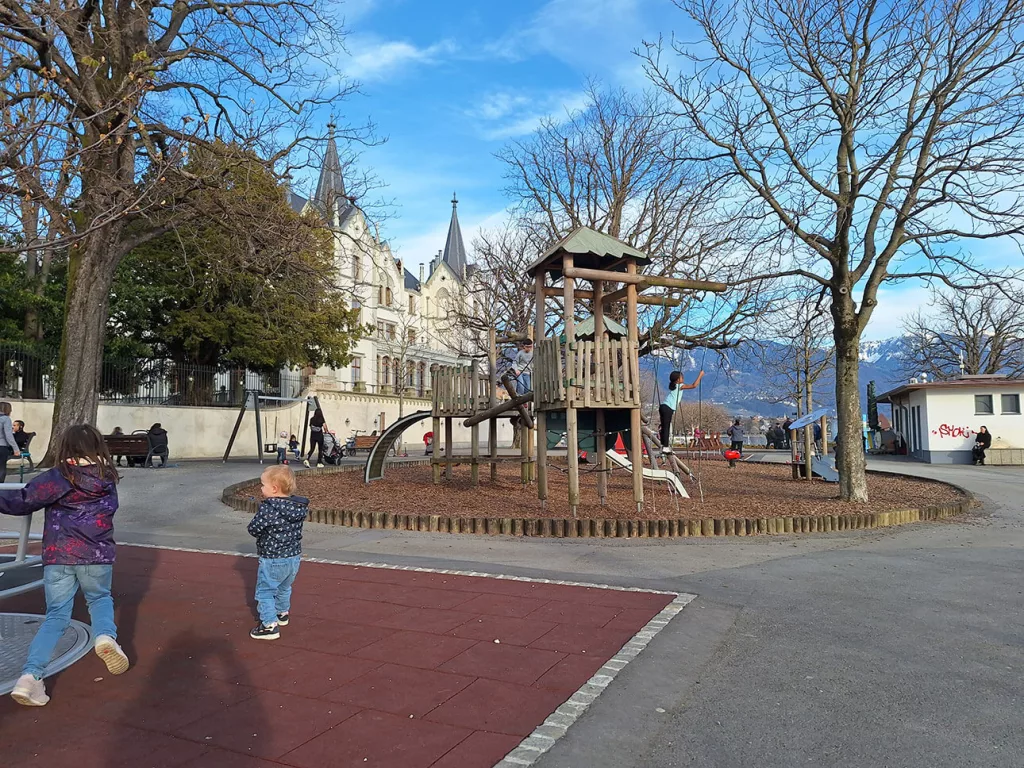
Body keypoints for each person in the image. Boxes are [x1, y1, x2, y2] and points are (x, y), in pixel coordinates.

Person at [0, 424, 129, 706]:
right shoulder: (107, 477)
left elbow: (24, 501)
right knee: (99, 598)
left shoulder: (60, 476)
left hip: (60, 554)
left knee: (57, 615)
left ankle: (31, 677)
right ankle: (106, 637)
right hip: (97, 554)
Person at [247, 465, 309, 640]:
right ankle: (282, 613)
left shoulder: (269, 508)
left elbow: (254, 528)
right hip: (294, 557)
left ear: (274, 489)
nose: (261, 488)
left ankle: (269, 625)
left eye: (263, 485)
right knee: (284, 587)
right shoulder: (297, 507)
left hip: (273, 557)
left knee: (265, 591)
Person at [659, 370, 704, 454]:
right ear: (677, 380)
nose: (683, 378)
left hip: (664, 407)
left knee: (664, 426)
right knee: (666, 427)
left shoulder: (675, 386)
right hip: (668, 408)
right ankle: (665, 447)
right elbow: (694, 385)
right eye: (682, 377)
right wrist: (700, 375)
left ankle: (663, 445)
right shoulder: (679, 385)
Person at [0, 401, 17, 483]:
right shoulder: (6, 419)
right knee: (1, 468)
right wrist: (15, 449)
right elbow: (9, 436)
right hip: (2, 446)